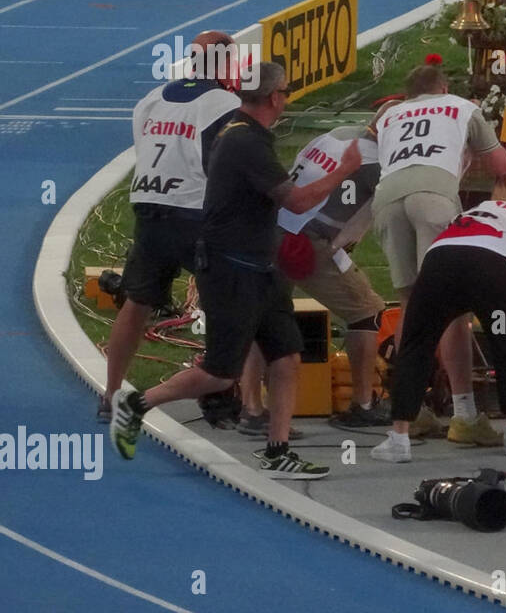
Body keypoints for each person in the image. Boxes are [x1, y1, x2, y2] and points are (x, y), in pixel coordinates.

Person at [109, 62, 362, 479]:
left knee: (286, 357)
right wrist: (344, 170)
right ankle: (136, 404)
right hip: (232, 271)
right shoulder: (244, 140)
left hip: (260, 267)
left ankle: (277, 450)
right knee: (218, 372)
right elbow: (295, 201)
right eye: (286, 92)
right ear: (276, 97)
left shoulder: (247, 133)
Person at [371, 172, 506, 462]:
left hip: (440, 262)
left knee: (416, 345)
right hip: (490, 265)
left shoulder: (475, 211)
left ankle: (399, 437)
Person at [100, 31, 242, 421]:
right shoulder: (222, 103)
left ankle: (110, 393)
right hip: (194, 214)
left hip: (148, 210)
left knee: (136, 303)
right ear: (227, 64)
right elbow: (225, 166)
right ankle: (220, 390)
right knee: (225, 301)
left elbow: (144, 151)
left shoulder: (150, 99)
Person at [371, 64, 506, 445]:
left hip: (386, 199)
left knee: (410, 303)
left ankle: (411, 410)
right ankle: (465, 416)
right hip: (433, 195)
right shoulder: (461, 106)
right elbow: (503, 168)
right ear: (444, 87)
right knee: (452, 309)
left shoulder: (388, 114)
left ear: (409, 93)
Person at [236, 107, 389, 438]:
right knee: (367, 312)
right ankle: (362, 406)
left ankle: (251, 408)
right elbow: (392, 208)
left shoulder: (337, 134)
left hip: (269, 228)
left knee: (262, 318)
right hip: (306, 241)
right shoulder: (379, 163)